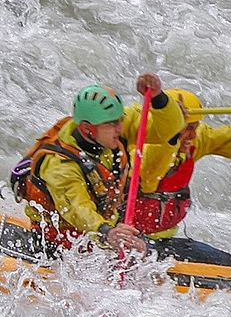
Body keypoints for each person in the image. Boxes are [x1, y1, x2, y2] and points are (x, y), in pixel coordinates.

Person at [14, 74, 184, 256]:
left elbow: (170, 129)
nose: (120, 128)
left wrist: (159, 97)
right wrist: (107, 232)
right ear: (87, 128)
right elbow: (78, 210)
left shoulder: (110, 131)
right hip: (58, 244)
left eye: (119, 120)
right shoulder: (59, 165)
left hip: (102, 235)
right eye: (112, 124)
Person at [132, 89, 231, 266]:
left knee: (223, 261)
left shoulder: (194, 140)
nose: (193, 135)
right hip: (129, 240)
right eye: (188, 128)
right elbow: (151, 170)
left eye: (195, 127)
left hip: (163, 240)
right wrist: (170, 133)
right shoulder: (136, 148)